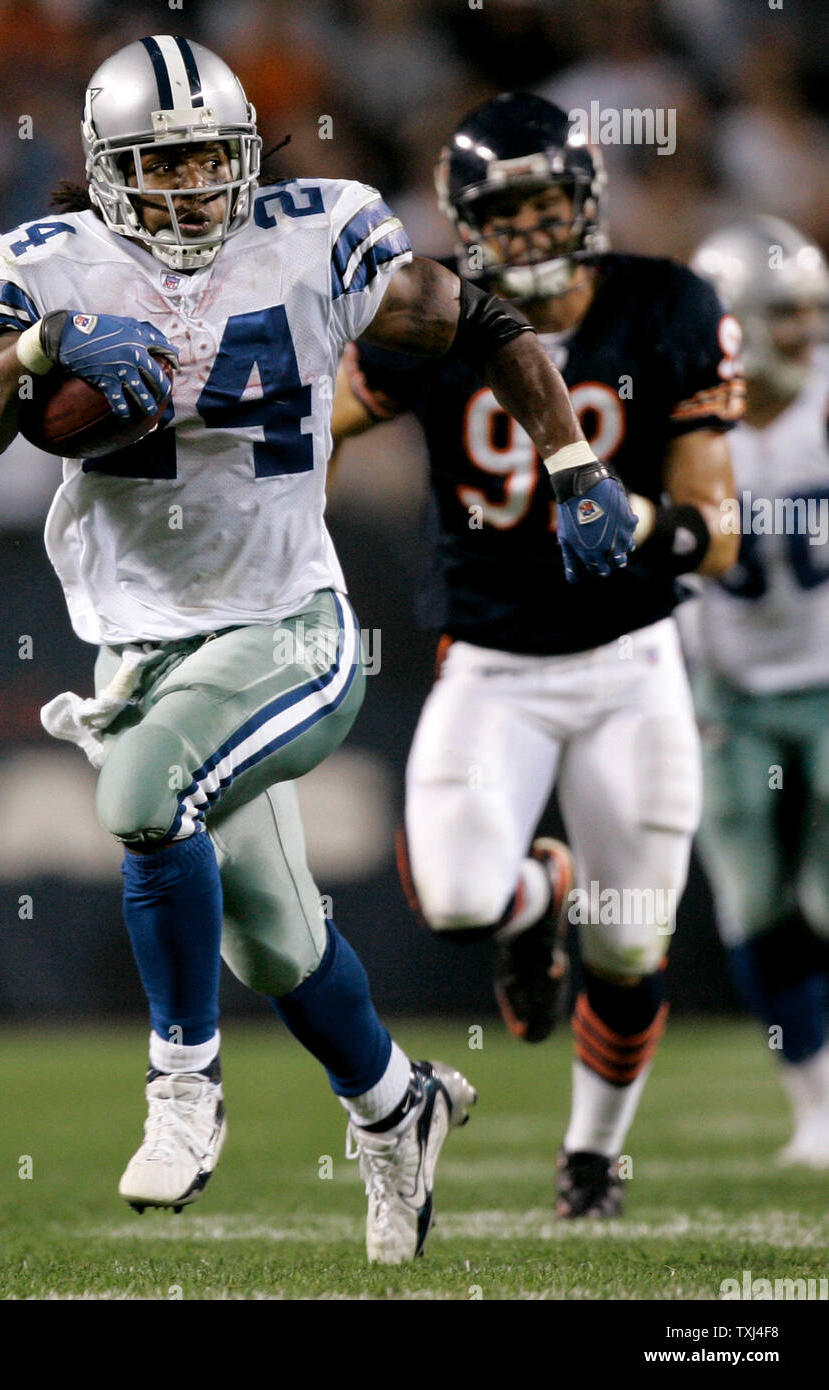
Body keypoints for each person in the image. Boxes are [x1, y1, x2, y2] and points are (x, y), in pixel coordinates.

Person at [0, 41, 633, 1263]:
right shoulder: (44, 266)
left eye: (213, 155)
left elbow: (483, 320)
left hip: (288, 628)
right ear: (105, 171)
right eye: (165, 161)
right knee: (274, 941)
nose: (196, 183)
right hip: (143, 649)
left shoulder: (319, 232)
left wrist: (570, 460)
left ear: (248, 152)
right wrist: (46, 350)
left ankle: (182, 1089)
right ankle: (394, 1105)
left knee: (142, 793)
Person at [332, 93, 743, 1217]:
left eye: (542, 201)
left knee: (625, 944)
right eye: (498, 210)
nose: (521, 229)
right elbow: (311, 427)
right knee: (461, 894)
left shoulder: (664, 305)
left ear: (584, 200)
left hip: (628, 662)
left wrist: (637, 517)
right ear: (463, 220)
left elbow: (717, 533)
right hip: (494, 663)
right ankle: (533, 892)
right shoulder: (432, 314)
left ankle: (591, 1156)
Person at [687, 216, 829, 1167]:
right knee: (751, 897)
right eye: (785, 313)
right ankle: (815, 1105)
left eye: (817, 309)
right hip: (727, 693)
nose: (808, 331)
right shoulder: (680, 414)